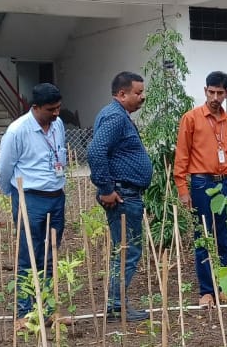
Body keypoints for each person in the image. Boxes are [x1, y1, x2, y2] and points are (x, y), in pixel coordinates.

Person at [0, 83, 68, 330]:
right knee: (28, 256)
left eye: (59, 107)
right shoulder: (17, 131)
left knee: (51, 255)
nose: (56, 113)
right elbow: (4, 168)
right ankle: (24, 314)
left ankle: (49, 311)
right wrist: (15, 195)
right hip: (30, 198)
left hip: (57, 196)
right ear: (35, 107)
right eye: (51, 109)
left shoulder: (57, 124)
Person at [87, 71, 152, 322]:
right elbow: (95, 151)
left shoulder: (117, 115)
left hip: (125, 192)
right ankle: (115, 307)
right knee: (128, 250)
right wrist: (106, 189)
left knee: (125, 249)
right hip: (123, 194)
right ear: (122, 94)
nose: (142, 97)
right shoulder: (115, 116)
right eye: (138, 93)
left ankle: (117, 304)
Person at [174, 71, 227, 307]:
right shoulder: (191, 118)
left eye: (219, 93)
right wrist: (183, 189)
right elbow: (182, 155)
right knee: (203, 236)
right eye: (211, 92)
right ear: (205, 91)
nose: (214, 96)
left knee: (223, 237)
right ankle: (206, 291)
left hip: (225, 182)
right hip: (202, 183)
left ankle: (221, 286)